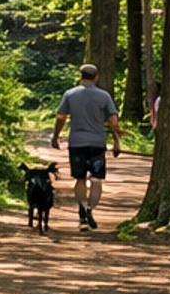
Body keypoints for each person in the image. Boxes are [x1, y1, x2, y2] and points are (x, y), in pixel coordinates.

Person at [52, 63, 121, 231]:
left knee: (80, 178)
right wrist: (117, 140)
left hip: (77, 142)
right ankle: (91, 209)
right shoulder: (104, 96)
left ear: (80, 76)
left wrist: (56, 136)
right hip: (97, 143)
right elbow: (113, 120)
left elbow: (61, 117)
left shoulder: (70, 94)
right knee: (96, 180)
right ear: (96, 77)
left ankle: (82, 211)